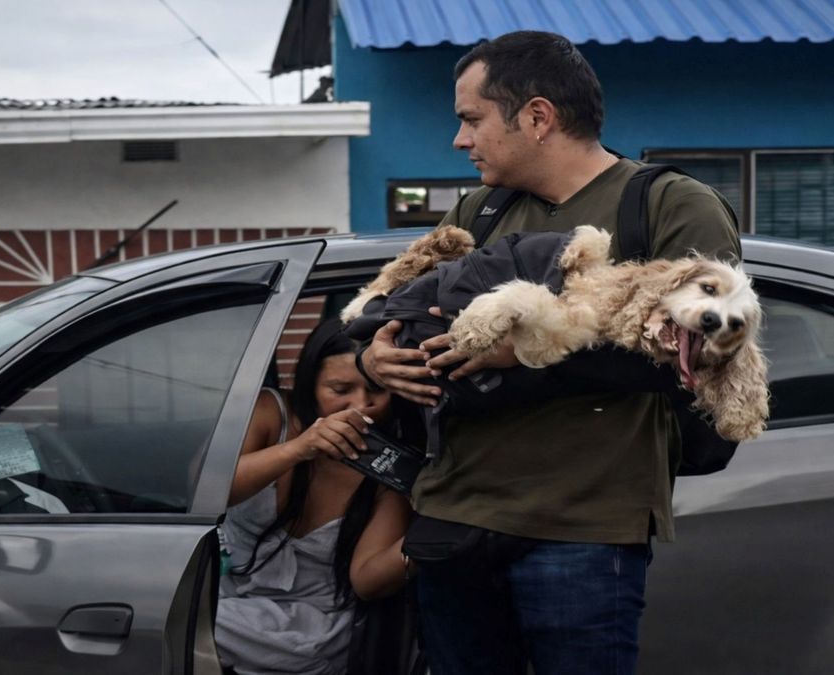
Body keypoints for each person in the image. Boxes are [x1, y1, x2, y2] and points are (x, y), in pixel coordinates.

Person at [358, 31, 742, 675]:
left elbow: (710, 348)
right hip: (454, 512)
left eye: (471, 119)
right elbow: (417, 307)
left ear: (537, 117)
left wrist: (529, 351)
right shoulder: (480, 209)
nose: (460, 140)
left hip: (583, 526)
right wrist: (379, 354)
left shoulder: (667, 205)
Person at [217, 318, 411, 675]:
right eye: (340, 390)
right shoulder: (270, 413)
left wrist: (438, 528)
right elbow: (211, 489)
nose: (360, 405)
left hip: (314, 626)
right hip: (226, 601)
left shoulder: (389, 465)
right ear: (309, 383)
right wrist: (299, 448)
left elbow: (367, 579)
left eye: (377, 391)